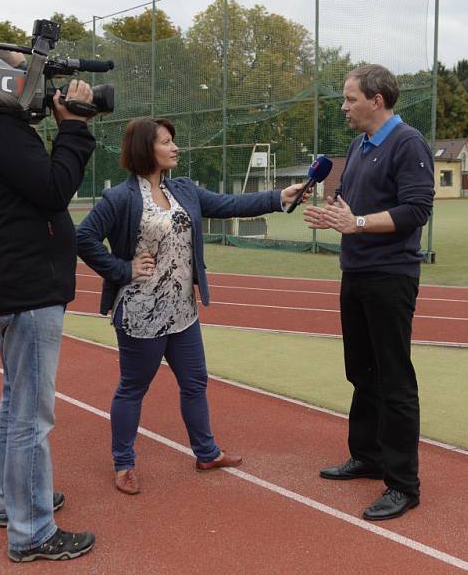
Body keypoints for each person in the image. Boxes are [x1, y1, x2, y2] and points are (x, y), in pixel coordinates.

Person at [76, 117, 308, 495]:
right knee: (133, 388)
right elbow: (83, 237)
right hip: (142, 313)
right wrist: (121, 269)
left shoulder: (182, 189)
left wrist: (280, 197)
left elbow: (230, 204)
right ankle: (124, 464)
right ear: (144, 150)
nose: (175, 147)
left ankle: (206, 452)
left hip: (182, 312)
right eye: (166, 142)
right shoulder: (120, 198)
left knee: (195, 382)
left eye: (173, 141)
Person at [0, 47, 96, 562]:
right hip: (26, 291)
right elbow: (55, 188)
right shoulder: (1, 132)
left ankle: (12, 501)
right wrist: (75, 129)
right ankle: (33, 530)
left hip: (13, 287)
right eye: (26, 70)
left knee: (15, 404)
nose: (37, 82)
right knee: (30, 416)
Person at [302, 64, 434, 521]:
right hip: (355, 271)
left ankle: (403, 484)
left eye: (350, 98)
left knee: (394, 378)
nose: (344, 106)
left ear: (377, 100)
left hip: (390, 276)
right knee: (361, 370)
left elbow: (416, 209)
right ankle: (368, 456)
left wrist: (355, 223)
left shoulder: (408, 142)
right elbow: (350, 206)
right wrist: (332, 214)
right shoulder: (358, 145)